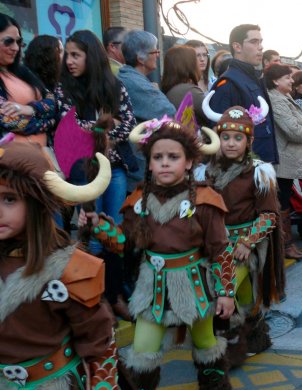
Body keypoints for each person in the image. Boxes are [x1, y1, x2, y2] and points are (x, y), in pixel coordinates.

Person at [80, 119, 235, 390]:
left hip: (195, 285)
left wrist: (225, 292)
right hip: (152, 286)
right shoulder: (137, 200)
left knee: (206, 345)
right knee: (142, 351)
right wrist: (98, 226)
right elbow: (123, 243)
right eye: (158, 157)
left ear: (188, 163)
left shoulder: (206, 199)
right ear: (149, 164)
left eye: (173, 157)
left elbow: (220, 248)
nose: (165, 163)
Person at [0, 139, 118, 390]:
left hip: (54, 386)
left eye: (9, 199)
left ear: (36, 204)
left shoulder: (69, 266)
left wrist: (103, 385)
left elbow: (98, 337)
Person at [54, 29, 136, 320]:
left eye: (76, 55)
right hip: (83, 175)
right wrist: (103, 126)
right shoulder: (64, 89)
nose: (70, 61)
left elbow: (129, 123)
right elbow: (69, 129)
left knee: (113, 233)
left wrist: (100, 128)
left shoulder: (114, 86)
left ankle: (114, 296)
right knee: (92, 236)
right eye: (68, 55)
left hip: (113, 171)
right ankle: (96, 301)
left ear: (92, 55)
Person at [203, 103, 285, 367]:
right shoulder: (206, 172)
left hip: (245, 245)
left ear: (249, 140)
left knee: (225, 291)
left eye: (238, 138)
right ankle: (257, 334)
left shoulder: (260, 171)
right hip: (215, 245)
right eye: (225, 137)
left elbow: (270, 215)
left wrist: (248, 242)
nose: (230, 143)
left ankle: (233, 347)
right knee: (245, 294)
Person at [266, 63, 302, 260]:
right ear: (275, 81)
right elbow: (293, 130)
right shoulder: (276, 100)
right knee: (283, 202)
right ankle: (285, 244)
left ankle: (286, 244)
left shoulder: (285, 97)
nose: (291, 80)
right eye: (287, 77)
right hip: (284, 159)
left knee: (285, 200)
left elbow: (298, 124)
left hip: (290, 157)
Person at [208, 24, 278, 164]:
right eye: (254, 42)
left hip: (261, 164)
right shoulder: (228, 83)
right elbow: (220, 132)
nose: (261, 47)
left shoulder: (255, 78)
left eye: (261, 42)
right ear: (237, 47)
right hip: (243, 169)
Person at [118, 29, 176, 192]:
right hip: (138, 167)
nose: (157, 55)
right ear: (140, 58)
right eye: (155, 51)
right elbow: (168, 112)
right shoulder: (134, 84)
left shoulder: (131, 78)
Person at [0, 13, 56, 141]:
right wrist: (51, 122)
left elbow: (53, 101)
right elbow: (12, 123)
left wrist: (30, 109)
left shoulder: (23, 71)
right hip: (14, 158)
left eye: (19, 42)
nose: (15, 48)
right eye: (8, 41)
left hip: (44, 154)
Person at [161, 45, 207, 125]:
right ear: (189, 65)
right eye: (196, 59)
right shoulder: (189, 91)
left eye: (205, 55)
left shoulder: (171, 89)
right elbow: (216, 115)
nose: (201, 60)